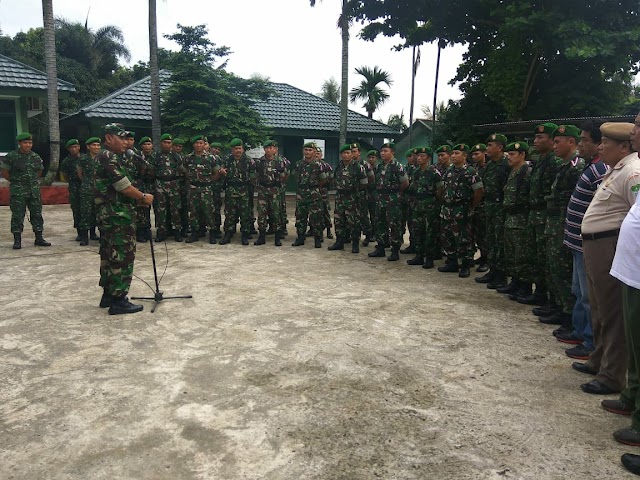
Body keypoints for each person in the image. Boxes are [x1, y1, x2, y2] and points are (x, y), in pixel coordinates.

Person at [576, 122, 640, 396]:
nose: (600, 147)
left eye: (606, 143)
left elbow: (633, 212)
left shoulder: (632, 172)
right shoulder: (617, 169)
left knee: (612, 312)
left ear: (623, 146)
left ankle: (612, 375)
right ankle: (599, 360)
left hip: (608, 245)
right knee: (600, 307)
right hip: (596, 245)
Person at [606, 114, 640, 473]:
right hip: (632, 273)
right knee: (635, 345)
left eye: (639, 127)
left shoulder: (633, 172)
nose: (633, 132)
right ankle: (632, 398)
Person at [557, 121, 608, 361]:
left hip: (587, 243)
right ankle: (579, 331)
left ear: (599, 145)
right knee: (578, 291)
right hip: (577, 242)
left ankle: (590, 341)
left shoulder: (600, 171)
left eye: (585, 140)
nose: (580, 144)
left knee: (589, 296)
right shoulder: (591, 167)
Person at [93, 123, 153, 315]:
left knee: (109, 254)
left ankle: (108, 295)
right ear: (109, 138)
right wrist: (143, 197)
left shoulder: (109, 156)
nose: (126, 142)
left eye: (127, 138)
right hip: (117, 215)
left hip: (111, 213)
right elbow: (123, 187)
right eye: (121, 138)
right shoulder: (108, 157)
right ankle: (119, 300)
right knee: (122, 255)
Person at [538, 125, 584, 331]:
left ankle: (568, 315)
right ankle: (558, 306)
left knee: (564, 269)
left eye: (558, 142)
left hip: (565, 223)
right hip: (554, 221)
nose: (554, 145)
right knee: (554, 266)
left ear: (571, 142)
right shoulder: (565, 166)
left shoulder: (577, 167)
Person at [519, 123, 563, 311]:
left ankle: (551, 300)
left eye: (540, 138)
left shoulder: (554, 162)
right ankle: (540, 293)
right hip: (535, 214)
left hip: (547, 215)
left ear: (551, 141)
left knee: (547, 258)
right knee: (536, 255)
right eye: (535, 138)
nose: (536, 141)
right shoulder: (540, 160)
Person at [438, 143, 484, 277]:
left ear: (465, 156)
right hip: (447, 210)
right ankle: (452, 262)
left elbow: (479, 191)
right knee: (447, 237)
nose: (453, 156)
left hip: (462, 210)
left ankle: (465, 264)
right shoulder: (449, 171)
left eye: (456, 153)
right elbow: (442, 188)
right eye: (452, 153)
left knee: (464, 239)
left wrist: (470, 206)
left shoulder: (470, 172)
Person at [0, 132, 51, 249]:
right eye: (25, 143)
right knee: (18, 215)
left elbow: (39, 171)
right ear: (19, 143)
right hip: (18, 190)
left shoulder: (35, 157)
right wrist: (17, 181)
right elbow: (5, 172)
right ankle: (17, 240)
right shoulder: (11, 157)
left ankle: (39, 238)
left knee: (37, 214)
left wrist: (31, 181)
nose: (28, 145)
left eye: (30, 143)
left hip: (33, 190)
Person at [498, 142, 532, 298]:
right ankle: (515, 282)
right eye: (508, 154)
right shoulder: (512, 172)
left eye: (512, 154)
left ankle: (524, 286)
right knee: (511, 253)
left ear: (522, 155)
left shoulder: (527, 172)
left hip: (521, 219)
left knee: (522, 255)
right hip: (510, 218)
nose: (509, 157)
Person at [476, 133, 509, 288]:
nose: (487, 148)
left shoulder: (506, 165)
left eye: (490, 145)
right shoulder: (490, 165)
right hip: (489, 207)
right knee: (490, 240)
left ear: (500, 147)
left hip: (500, 208)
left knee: (500, 241)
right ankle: (493, 270)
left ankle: (501, 275)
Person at [368, 142, 409, 261]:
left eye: (385, 151)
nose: (382, 153)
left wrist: (395, 194)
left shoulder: (397, 166)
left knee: (394, 224)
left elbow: (405, 183)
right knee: (380, 223)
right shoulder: (380, 167)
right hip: (380, 198)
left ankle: (395, 250)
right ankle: (381, 247)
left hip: (392, 199)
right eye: (381, 151)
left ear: (392, 152)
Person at [406, 147, 444, 269]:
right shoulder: (416, 172)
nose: (419, 158)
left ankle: (429, 258)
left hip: (430, 205)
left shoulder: (434, 172)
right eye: (417, 156)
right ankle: (419, 255)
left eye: (422, 156)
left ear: (428, 158)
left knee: (430, 232)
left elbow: (440, 190)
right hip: (417, 204)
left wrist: (434, 202)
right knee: (418, 231)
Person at [328, 144, 367, 253]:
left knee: (353, 221)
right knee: (338, 220)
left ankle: (355, 244)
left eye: (348, 153)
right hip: (340, 197)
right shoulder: (339, 166)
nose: (345, 155)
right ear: (341, 155)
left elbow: (364, 183)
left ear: (352, 154)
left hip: (352, 198)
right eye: (343, 153)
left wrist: (355, 192)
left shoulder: (358, 167)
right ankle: (339, 242)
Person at [219, 138, 256, 245]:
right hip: (231, 190)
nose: (238, 151)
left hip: (244, 190)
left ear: (243, 149)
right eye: (236, 149)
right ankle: (228, 234)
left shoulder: (249, 161)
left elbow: (253, 176)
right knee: (229, 213)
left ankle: (245, 235)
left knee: (245, 214)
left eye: (240, 148)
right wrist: (221, 172)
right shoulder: (227, 160)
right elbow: (221, 171)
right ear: (232, 150)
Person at [184, 135, 219, 244]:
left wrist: (208, 181)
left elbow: (216, 173)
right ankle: (195, 233)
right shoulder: (188, 158)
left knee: (209, 211)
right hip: (193, 188)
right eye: (196, 143)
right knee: (193, 211)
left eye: (201, 143)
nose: (199, 145)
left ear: (204, 144)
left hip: (206, 188)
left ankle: (212, 233)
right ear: (193, 145)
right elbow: (184, 171)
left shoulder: (211, 158)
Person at [292, 142, 327, 248]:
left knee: (316, 217)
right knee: (300, 216)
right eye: (306, 150)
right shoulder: (299, 164)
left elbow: (323, 180)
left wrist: (314, 188)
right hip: (301, 193)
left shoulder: (318, 165)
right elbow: (295, 177)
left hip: (313, 194)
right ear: (303, 151)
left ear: (314, 152)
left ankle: (317, 238)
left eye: (310, 150)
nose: (307, 152)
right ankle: (300, 237)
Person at [254, 140, 289, 246]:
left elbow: (286, 175)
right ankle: (262, 236)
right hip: (263, 191)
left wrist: (280, 183)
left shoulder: (282, 161)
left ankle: (277, 237)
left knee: (276, 213)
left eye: (271, 148)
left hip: (275, 191)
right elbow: (255, 175)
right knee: (262, 214)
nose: (269, 150)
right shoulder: (260, 162)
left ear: (275, 149)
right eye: (267, 148)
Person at [154, 133, 184, 242]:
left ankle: (177, 231)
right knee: (160, 209)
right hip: (160, 184)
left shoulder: (176, 156)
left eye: (169, 143)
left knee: (175, 209)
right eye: (165, 142)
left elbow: (182, 170)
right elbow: (152, 170)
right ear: (161, 143)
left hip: (173, 184)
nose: (167, 145)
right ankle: (161, 232)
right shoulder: (156, 156)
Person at [76, 137, 102, 245]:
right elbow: (79, 173)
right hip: (87, 189)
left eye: (98, 145)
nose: (96, 147)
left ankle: (98, 235)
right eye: (94, 145)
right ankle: (84, 237)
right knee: (86, 212)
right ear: (88, 147)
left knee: (100, 213)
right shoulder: (83, 159)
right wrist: (88, 182)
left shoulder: (103, 158)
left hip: (101, 189)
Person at [470, 143, 489, 272]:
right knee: (477, 233)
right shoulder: (474, 169)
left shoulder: (489, 168)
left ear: (484, 154)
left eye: (477, 154)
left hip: (486, 205)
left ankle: (486, 260)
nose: (474, 156)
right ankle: (482, 256)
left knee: (485, 234)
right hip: (476, 205)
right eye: (473, 154)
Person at [353, 143, 375, 245]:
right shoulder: (349, 164)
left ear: (359, 152)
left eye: (355, 151)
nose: (353, 154)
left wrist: (364, 189)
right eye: (351, 151)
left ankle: (368, 234)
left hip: (362, 194)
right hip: (351, 195)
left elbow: (371, 179)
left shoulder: (366, 165)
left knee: (363, 215)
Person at [61, 139, 83, 241]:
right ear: (68, 149)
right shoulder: (66, 161)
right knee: (77, 209)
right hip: (74, 186)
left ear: (79, 147)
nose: (74, 149)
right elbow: (64, 175)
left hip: (87, 185)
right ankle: (80, 233)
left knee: (90, 209)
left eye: (75, 147)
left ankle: (92, 232)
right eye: (71, 148)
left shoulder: (85, 158)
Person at [136, 136, 156, 242]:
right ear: (141, 146)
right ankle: (141, 232)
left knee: (156, 210)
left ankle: (150, 232)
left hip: (154, 185)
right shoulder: (137, 156)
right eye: (145, 144)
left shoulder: (156, 156)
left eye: (149, 144)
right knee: (142, 211)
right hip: (141, 185)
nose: (147, 146)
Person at [400, 148, 418, 254]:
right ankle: (412, 245)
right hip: (407, 200)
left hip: (418, 201)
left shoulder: (421, 169)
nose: (413, 158)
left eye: (415, 156)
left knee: (418, 225)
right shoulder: (405, 168)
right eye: (410, 156)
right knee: (410, 223)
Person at [363, 149, 379, 246]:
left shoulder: (379, 168)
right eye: (369, 157)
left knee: (374, 215)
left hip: (374, 194)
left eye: (373, 157)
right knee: (364, 215)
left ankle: (375, 233)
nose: (371, 159)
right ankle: (367, 233)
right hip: (365, 193)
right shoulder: (364, 168)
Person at [209, 141, 224, 239]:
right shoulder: (207, 158)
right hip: (206, 187)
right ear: (210, 148)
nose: (216, 150)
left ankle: (216, 229)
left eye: (218, 149)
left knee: (216, 209)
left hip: (216, 188)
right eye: (215, 148)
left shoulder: (220, 160)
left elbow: (221, 174)